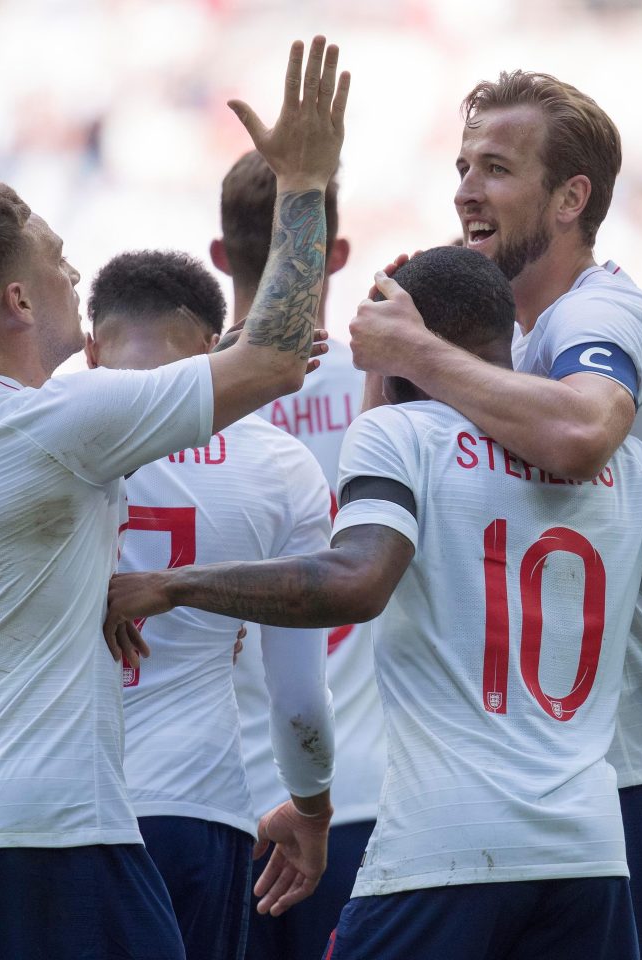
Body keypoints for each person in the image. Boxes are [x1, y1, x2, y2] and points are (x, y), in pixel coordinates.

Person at [104, 246, 642, 960]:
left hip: (442, 849)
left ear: (403, 348)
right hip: (587, 857)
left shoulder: (400, 438)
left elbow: (357, 582)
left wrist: (178, 583)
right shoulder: (629, 465)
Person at [349, 71, 642, 960]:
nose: (463, 190)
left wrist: (412, 347)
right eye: (461, 165)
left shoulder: (593, 316)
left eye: (495, 167)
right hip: (562, 788)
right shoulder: (518, 342)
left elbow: (583, 432)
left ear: (571, 198)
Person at [0, 36, 349, 958]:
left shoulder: (55, 424)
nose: (74, 273)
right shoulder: (62, 421)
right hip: (61, 827)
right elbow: (274, 356)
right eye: (57, 260)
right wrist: (305, 184)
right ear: (20, 302)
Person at [85, 248, 336, 960]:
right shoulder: (280, 464)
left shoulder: (44, 430)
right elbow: (297, 693)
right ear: (211, 345)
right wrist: (311, 804)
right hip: (192, 805)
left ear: (89, 343)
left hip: (55, 804)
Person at [211, 152, 383, 959]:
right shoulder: (391, 390)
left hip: (219, 803)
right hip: (365, 796)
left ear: (219, 258)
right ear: (335, 254)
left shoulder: (174, 401)